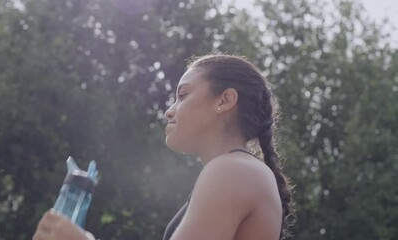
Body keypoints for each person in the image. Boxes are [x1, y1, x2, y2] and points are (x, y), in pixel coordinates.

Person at [33, 54, 294, 240]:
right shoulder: (239, 172)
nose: (169, 111)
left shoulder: (233, 170)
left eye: (183, 96)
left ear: (224, 100)